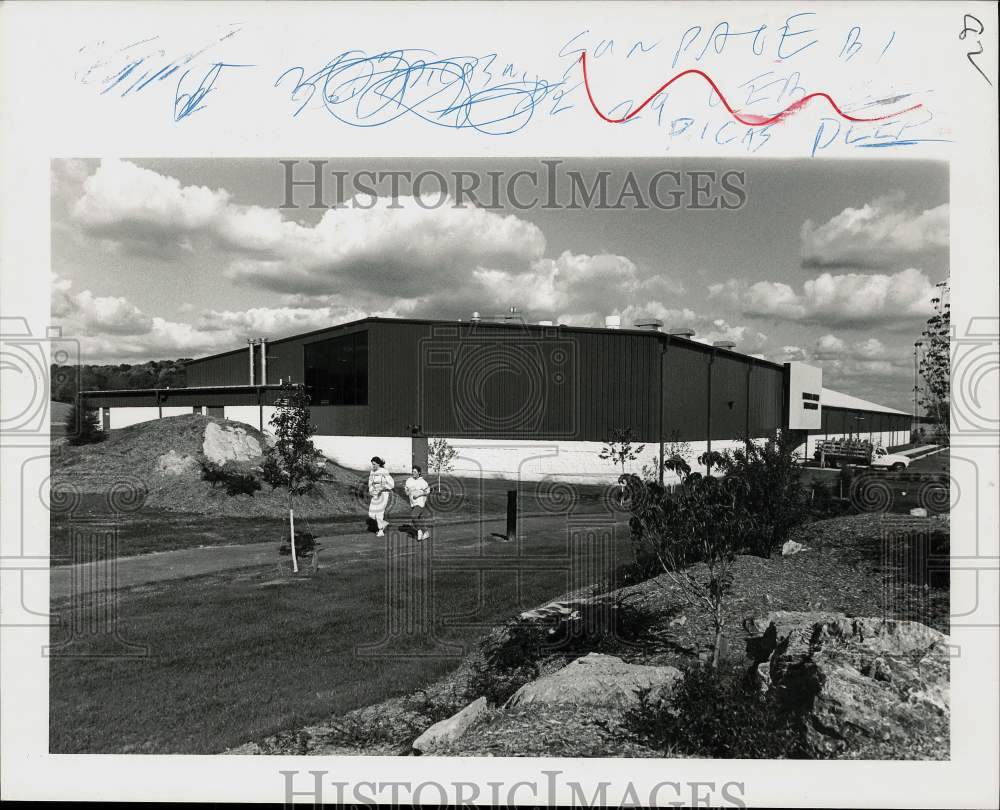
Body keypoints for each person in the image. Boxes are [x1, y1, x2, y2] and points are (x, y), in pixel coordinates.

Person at [367, 456, 394, 537]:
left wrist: (382, 488)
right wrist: (372, 491)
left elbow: (391, 484)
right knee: (371, 514)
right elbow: (370, 483)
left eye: (374, 464)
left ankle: (380, 531)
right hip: (375, 494)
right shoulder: (372, 472)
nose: (373, 466)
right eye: (372, 464)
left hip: (384, 494)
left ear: (378, 464)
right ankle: (383, 523)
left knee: (379, 512)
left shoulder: (384, 471)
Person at [404, 465, 431, 541]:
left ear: (419, 473)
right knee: (417, 519)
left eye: (415, 472)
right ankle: (426, 533)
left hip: (420, 502)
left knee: (413, 516)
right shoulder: (409, 480)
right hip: (412, 502)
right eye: (413, 471)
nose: (413, 473)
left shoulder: (423, 482)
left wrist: (419, 494)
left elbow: (427, 491)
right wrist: (407, 491)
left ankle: (419, 531)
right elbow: (406, 489)